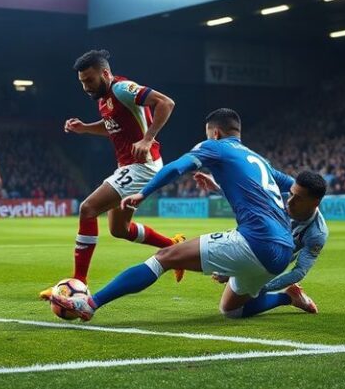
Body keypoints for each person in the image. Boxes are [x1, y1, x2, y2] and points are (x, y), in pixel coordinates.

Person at [49, 108, 310, 322]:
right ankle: (288, 296)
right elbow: (296, 185)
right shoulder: (259, 160)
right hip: (282, 251)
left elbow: (177, 167)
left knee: (164, 258)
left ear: (215, 133)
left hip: (255, 241)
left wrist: (144, 193)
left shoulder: (215, 146)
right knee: (231, 310)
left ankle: (89, 304)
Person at [52, 49, 182, 286]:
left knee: (88, 208)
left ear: (105, 73)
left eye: (89, 80)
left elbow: (165, 102)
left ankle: (78, 282)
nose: (86, 87)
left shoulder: (122, 89)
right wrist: (85, 128)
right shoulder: (104, 99)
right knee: (119, 229)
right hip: (129, 166)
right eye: (82, 82)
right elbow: (112, 126)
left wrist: (148, 138)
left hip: (142, 166)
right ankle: (173, 247)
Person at [197, 169, 329, 316]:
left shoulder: (317, 233)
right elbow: (246, 197)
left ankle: (287, 297)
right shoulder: (278, 196)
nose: (290, 201)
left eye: (298, 199)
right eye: (291, 194)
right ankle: (287, 294)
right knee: (232, 305)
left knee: (230, 311)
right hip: (251, 243)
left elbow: (299, 271)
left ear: (315, 202)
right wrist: (217, 187)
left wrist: (264, 287)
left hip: (270, 264)